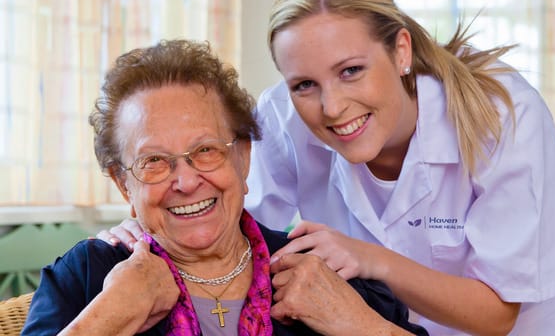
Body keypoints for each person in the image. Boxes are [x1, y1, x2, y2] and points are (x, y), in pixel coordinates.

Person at [98, 0, 555, 335]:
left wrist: (370, 258)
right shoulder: (283, 120)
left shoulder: (501, 113)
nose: (331, 107)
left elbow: (496, 315)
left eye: (351, 70)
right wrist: (147, 224)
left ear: (402, 50)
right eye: (305, 84)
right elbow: (226, 222)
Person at [21, 39, 428, 336]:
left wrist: (360, 326)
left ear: (243, 157)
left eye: (205, 150)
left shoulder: (319, 271)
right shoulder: (88, 277)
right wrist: (110, 316)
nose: (186, 181)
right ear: (123, 184)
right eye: (154, 162)